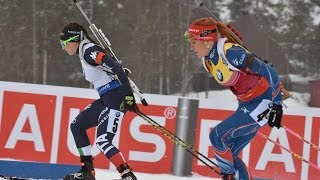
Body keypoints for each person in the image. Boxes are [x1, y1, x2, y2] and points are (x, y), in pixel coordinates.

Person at [184, 18, 283, 180]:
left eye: (194, 42)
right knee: (229, 155)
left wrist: (277, 105)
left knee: (216, 136)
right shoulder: (207, 61)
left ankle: (228, 175)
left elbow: (270, 72)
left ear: (207, 41)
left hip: (262, 104)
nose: (191, 47)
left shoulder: (230, 53)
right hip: (245, 104)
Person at [59, 22, 138, 180]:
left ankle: (127, 174)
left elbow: (116, 68)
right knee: (77, 125)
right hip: (106, 98)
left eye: (64, 43)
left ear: (74, 39)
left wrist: (128, 95)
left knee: (103, 141)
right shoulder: (84, 51)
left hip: (116, 97)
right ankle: (87, 172)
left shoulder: (89, 51)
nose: (63, 48)